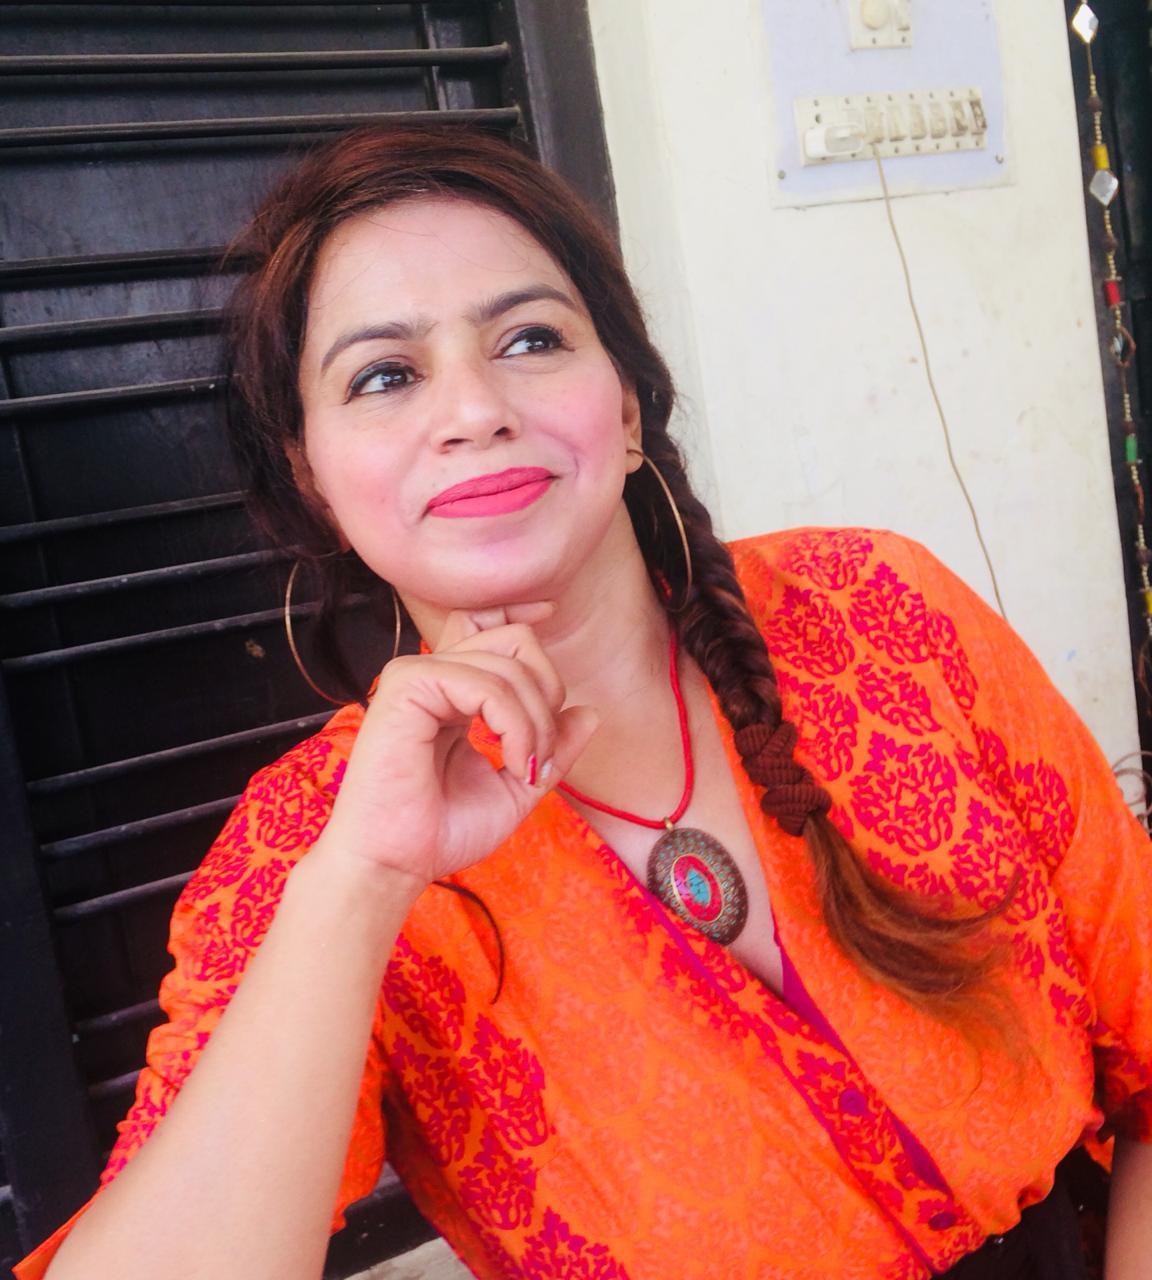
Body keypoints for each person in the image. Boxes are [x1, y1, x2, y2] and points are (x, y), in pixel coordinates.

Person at [17, 123, 1152, 1280]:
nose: (474, 408)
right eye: (385, 375)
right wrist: (362, 884)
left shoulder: (877, 610)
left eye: (530, 338)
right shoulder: (311, 849)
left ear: (626, 407)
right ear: (312, 476)